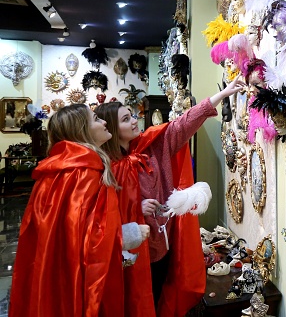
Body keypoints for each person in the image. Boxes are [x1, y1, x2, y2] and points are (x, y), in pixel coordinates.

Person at [95, 77, 244, 316]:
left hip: (164, 246)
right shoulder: (104, 167)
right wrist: (137, 208)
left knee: (160, 295)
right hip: (132, 255)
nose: (134, 121)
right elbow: (101, 215)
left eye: (131, 115)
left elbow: (183, 124)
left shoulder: (151, 145)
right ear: (112, 130)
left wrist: (223, 94)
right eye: (126, 119)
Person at [9, 104, 148, 316]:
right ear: (82, 130)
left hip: (55, 270)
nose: (103, 122)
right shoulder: (83, 173)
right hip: (76, 276)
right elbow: (87, 238)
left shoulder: (61, 168)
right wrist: (129, 234)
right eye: (96, 119)